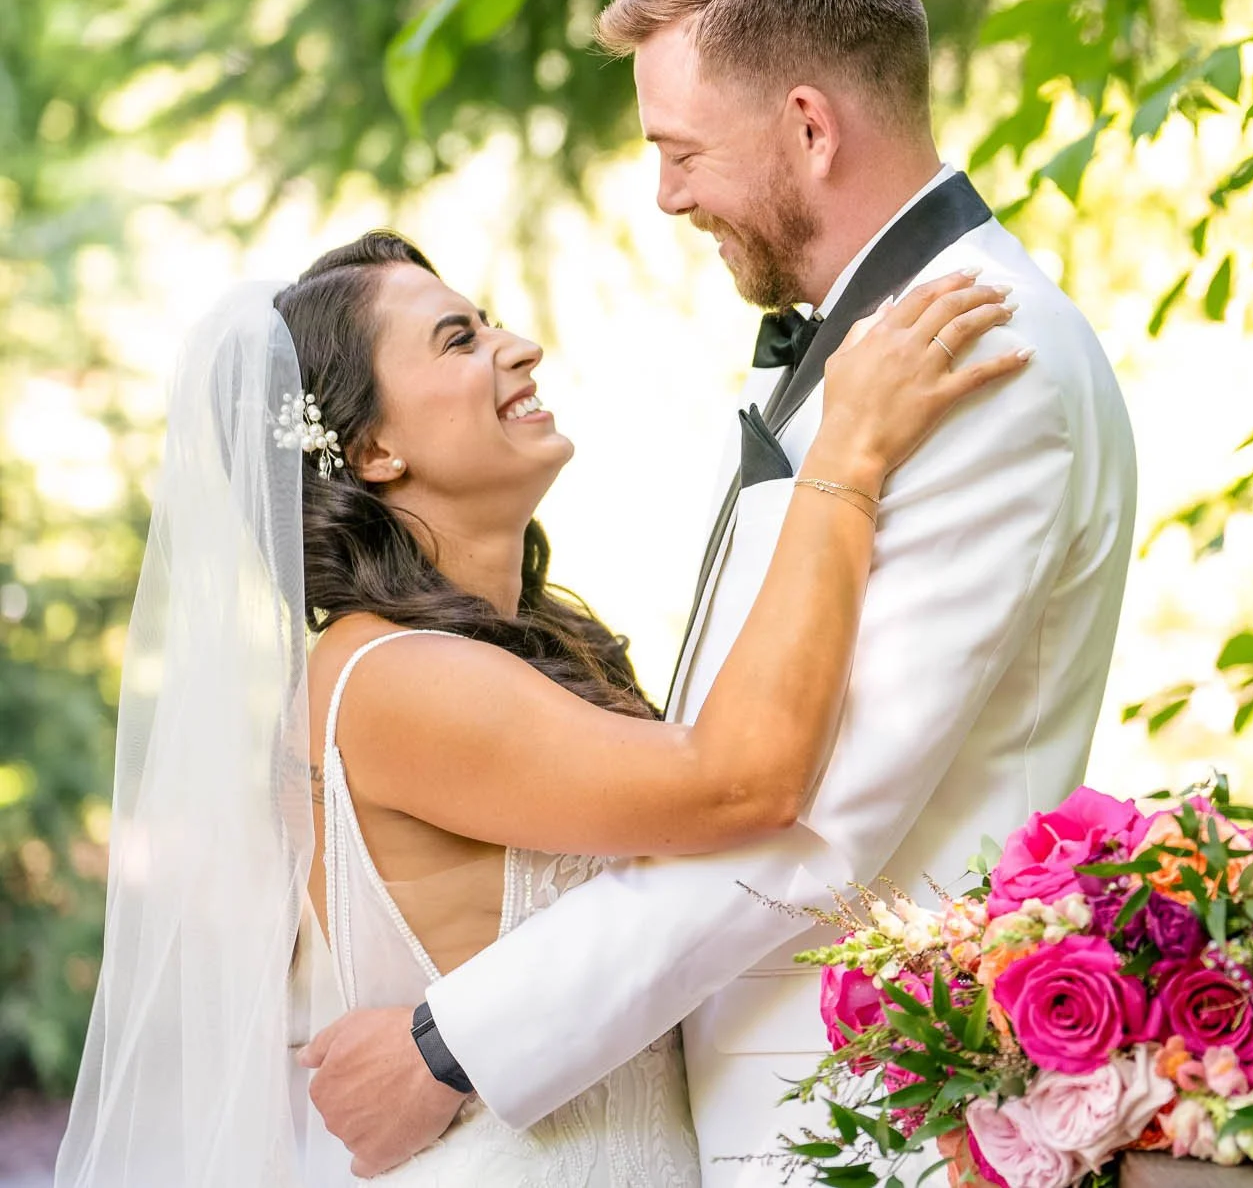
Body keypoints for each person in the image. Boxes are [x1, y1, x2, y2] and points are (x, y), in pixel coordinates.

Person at [303, 0, 1140, 1186]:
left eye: (682, 148)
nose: (665, 194)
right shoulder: (890, 349)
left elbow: (810, 819)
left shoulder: (983, 363)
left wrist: (452, 1042)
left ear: (807, 126)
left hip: (856, 1125)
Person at [53, 234, 1026, 1186]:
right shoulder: (392, 678)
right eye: (457, 340)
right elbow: (740, 782)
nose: (516, 346)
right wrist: (846, 455)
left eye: (487, 323)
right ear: (373, 447)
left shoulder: (477, 651)